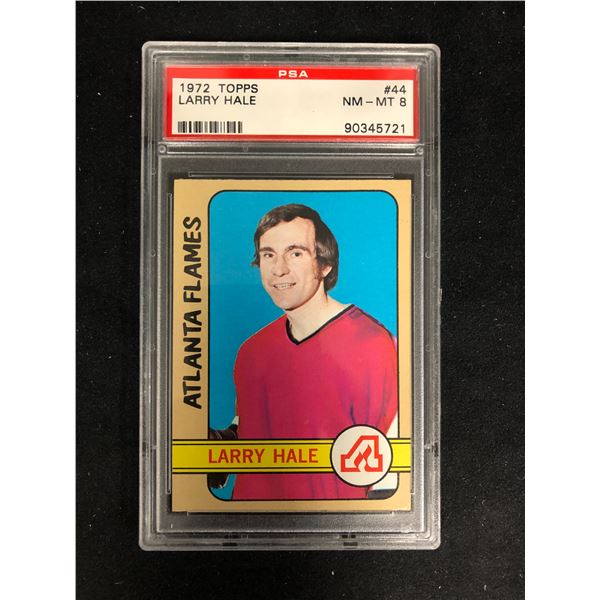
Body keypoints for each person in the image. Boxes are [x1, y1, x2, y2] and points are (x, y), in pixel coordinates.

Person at [212, 203, 398, 500]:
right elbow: (250, 429)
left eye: (295, 253)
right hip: (249, 522)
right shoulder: (251, 351)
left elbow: (389, 473)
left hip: (334, 524)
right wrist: (219, 445)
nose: (279, 269)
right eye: (268, 255)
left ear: (324, 265)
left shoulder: (374, 344)